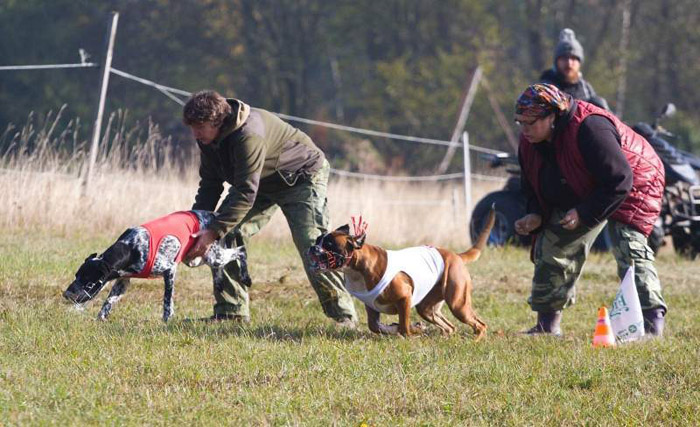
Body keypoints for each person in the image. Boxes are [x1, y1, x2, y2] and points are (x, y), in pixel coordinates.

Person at [182, 90, 357, 327]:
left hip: (301, 177)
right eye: (192, 127)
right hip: (260, 181)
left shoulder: (248, 135)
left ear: (217, 121)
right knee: (228, 232)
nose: (195, 133)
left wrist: (212, 232)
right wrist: (196, 227)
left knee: (312, 243)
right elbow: (210, 185)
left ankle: (344, 316)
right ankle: (230, 313)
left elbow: (245, 192)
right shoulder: (208, 139)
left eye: (199, 126)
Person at [513, 83, 667, 337]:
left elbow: (619, 181)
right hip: (584, 182)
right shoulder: (530, 142)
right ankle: (546, 327)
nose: (524, 129)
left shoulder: (590, 128)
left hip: (635, 180)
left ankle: (652, 324)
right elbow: (532, 184)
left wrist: (585, 213)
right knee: (553, 243)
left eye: (530, 122)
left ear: (552, 116)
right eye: (520, 122)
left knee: (628, 247)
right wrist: (535, 213)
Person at [540, 28, 609, 110]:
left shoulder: (585, 88)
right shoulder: (546, 88)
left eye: (573, 58)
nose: (569, 63)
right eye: (564, 58)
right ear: (556, 62)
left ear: (579, 63)